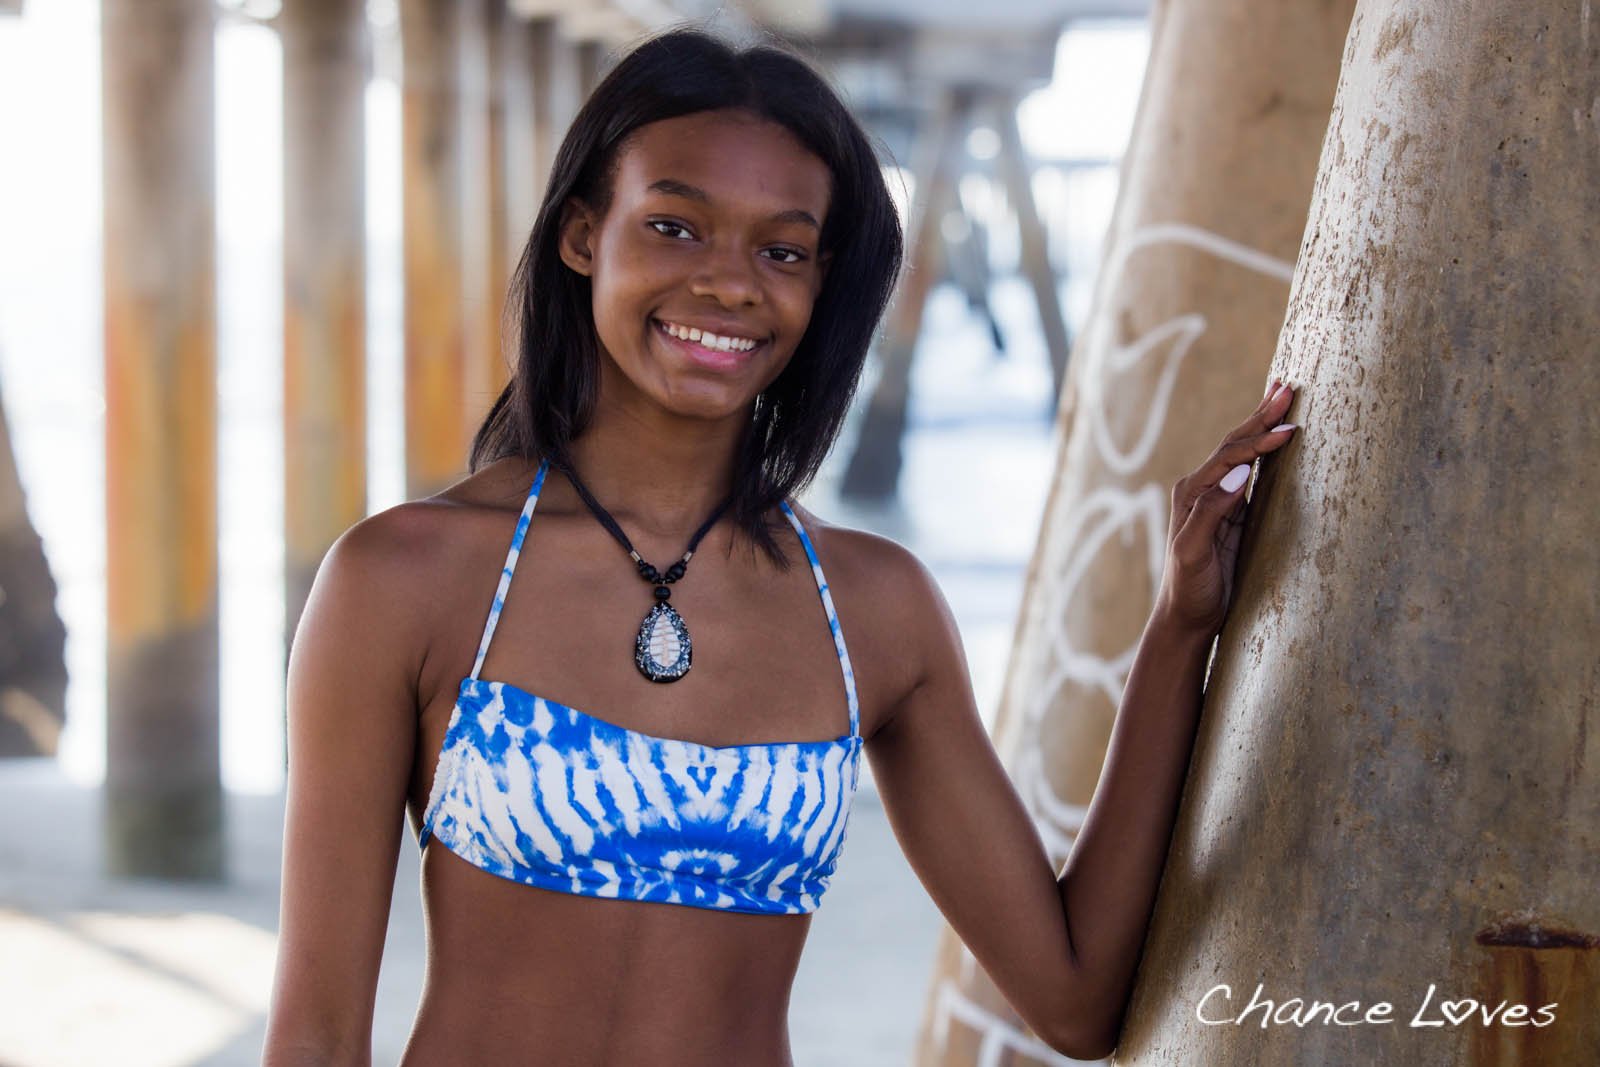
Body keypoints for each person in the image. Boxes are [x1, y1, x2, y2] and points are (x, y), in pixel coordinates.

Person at [263, 26, 1299, 1066]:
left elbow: (1074, 999)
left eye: (781, 249)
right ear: (584, 234)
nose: (729, 284)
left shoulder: (869, 609)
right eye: (674, 226)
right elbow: (312, 1037)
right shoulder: (404, 581)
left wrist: (1176, 633)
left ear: (820, 282)